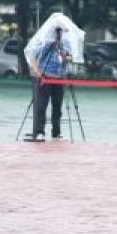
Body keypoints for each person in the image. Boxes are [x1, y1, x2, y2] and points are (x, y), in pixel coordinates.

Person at [24, 14, 83, 142]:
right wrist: (38, 71)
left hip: (59, 77)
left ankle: (56, 133)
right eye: (58, 30)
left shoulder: (65, 43)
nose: (60, 33)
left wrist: (66, 56)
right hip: (45, 76)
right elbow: (32, 55)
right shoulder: (45, 42)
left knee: (57, 106)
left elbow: (70, 57)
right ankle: (39, 132)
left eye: (62, 31)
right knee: (41, 105)